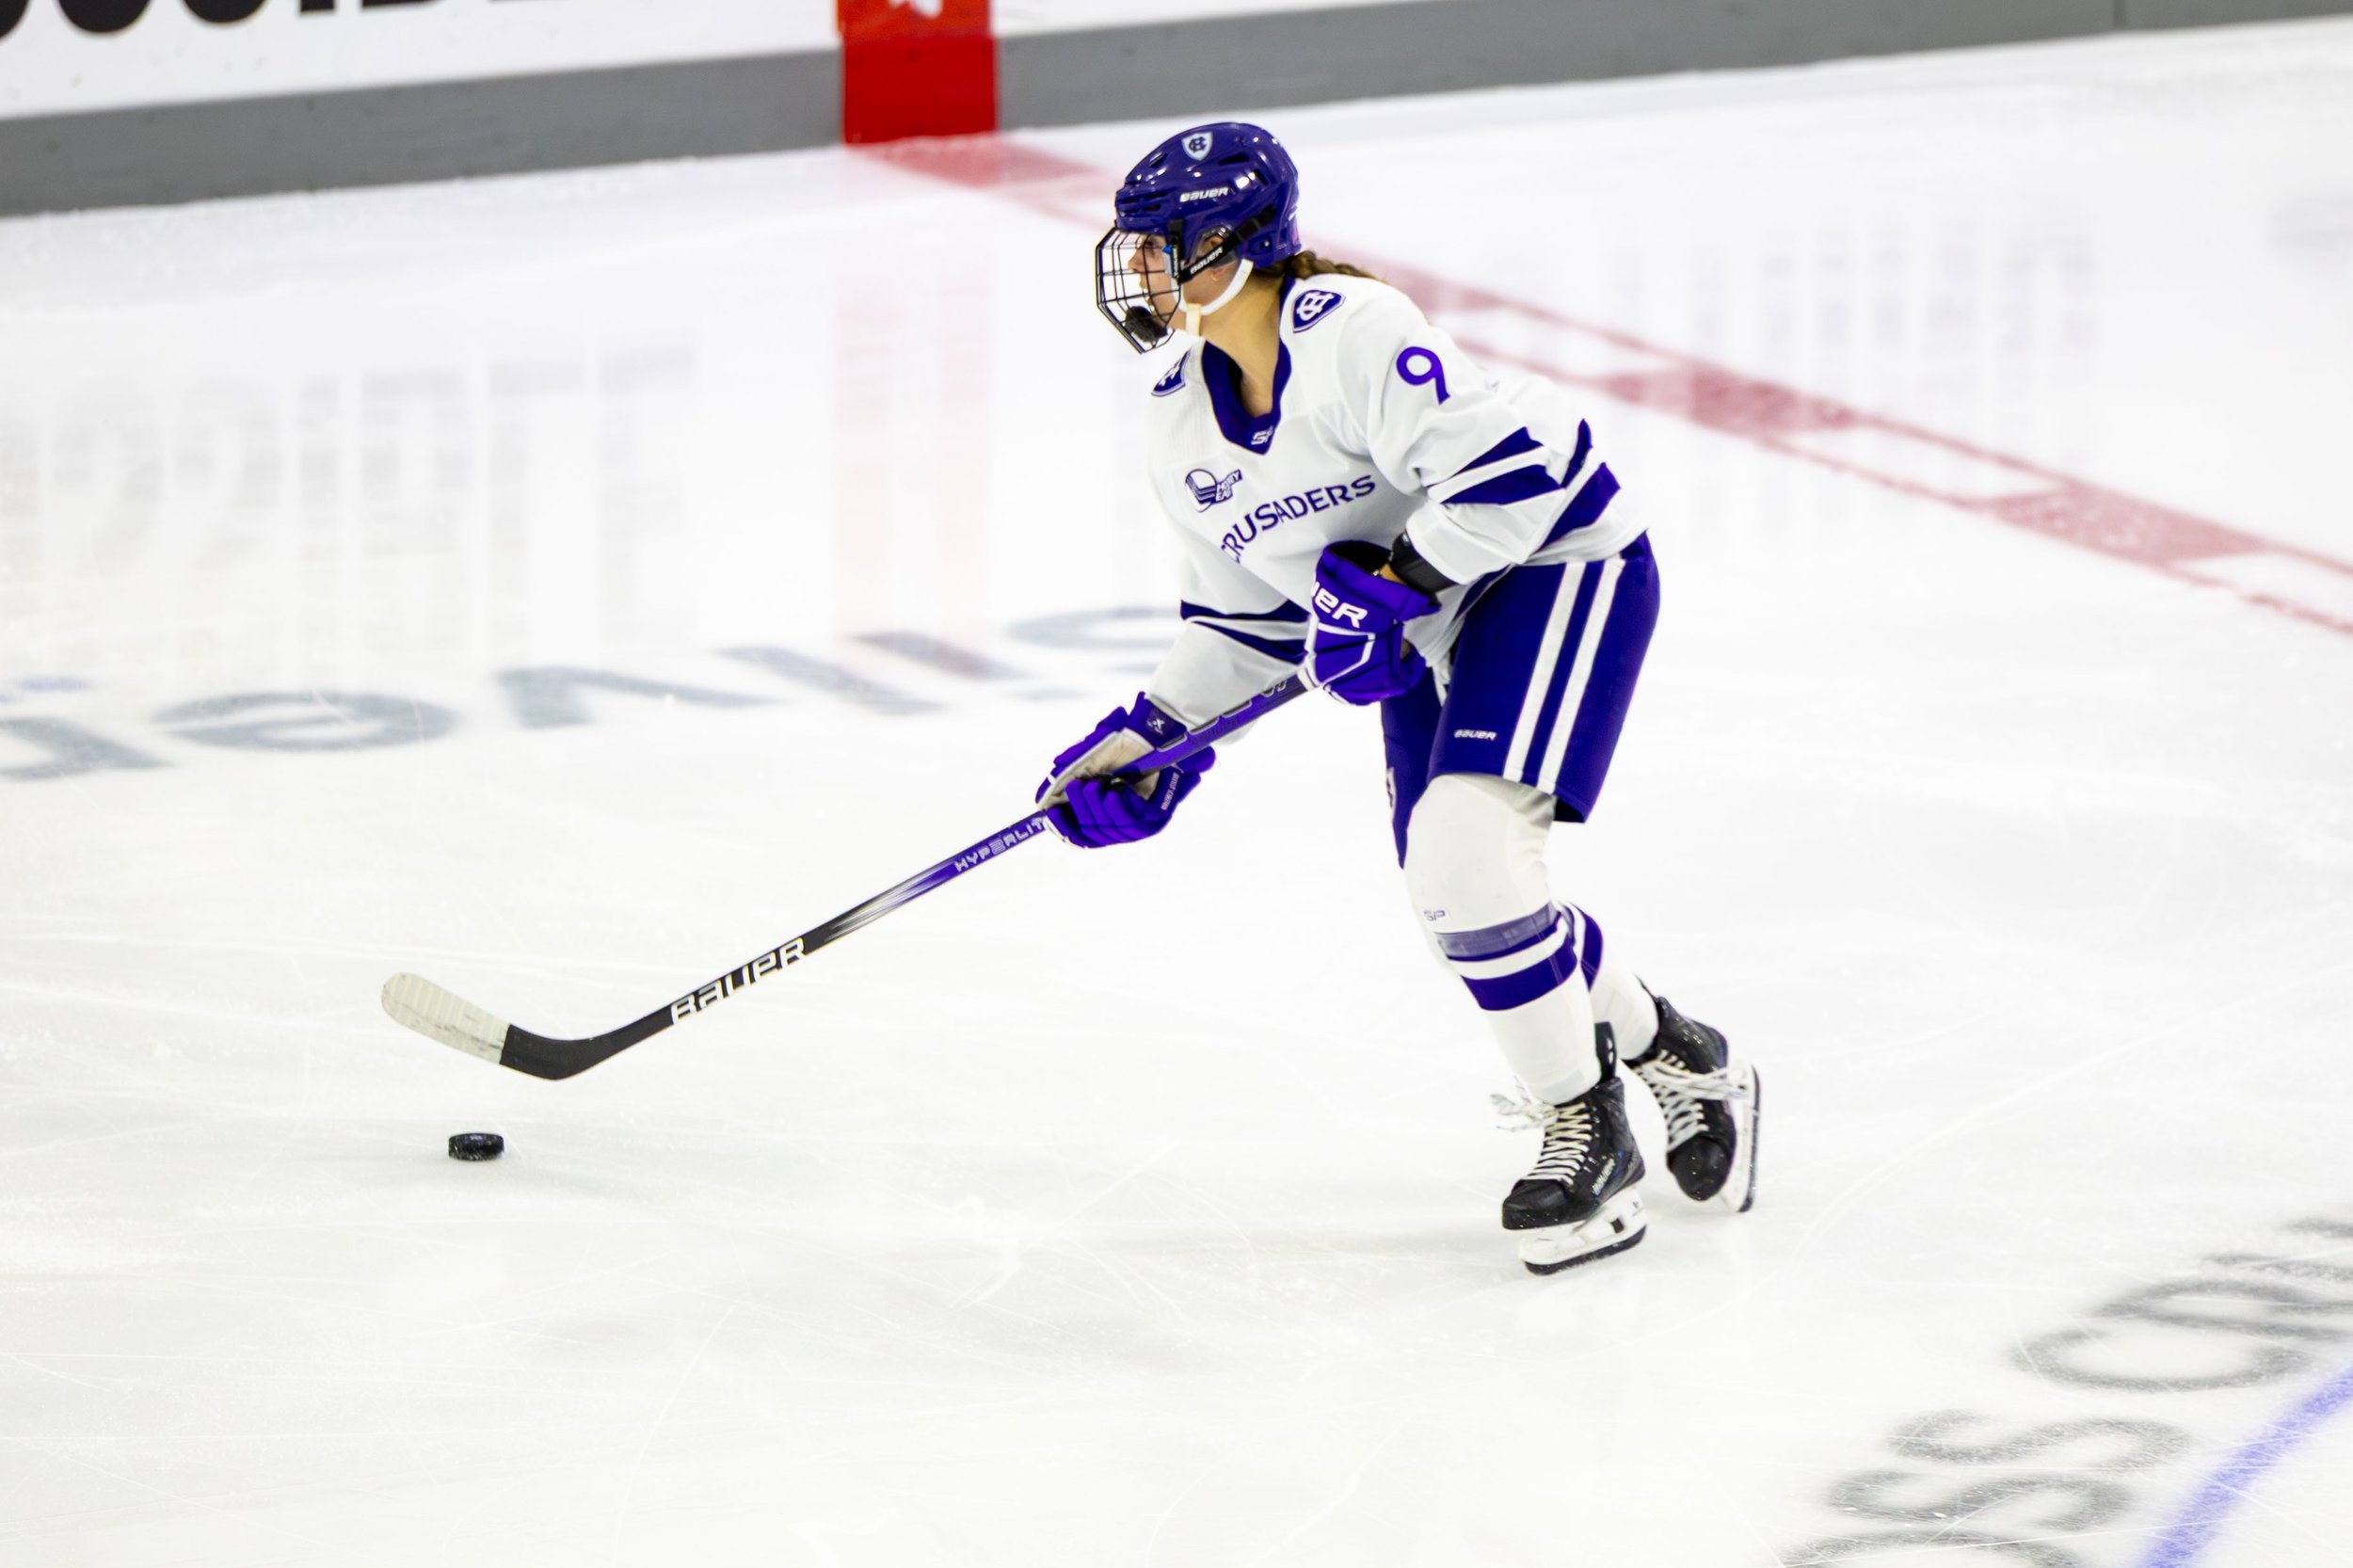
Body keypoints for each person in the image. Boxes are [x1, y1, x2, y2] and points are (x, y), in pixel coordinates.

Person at [1036, 121, 1758, 1275]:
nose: (1145, 270)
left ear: (1238, 243)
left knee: (1467, 860)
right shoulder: (1177, 408)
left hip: (1554, 565)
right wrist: (1152, 736)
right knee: (1459, 905)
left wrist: (1396, 583)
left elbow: (1515, 480)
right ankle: (1671, 1048)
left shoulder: (1354, 330)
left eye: (1168, 244)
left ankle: (1588, 1132)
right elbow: (1248, 623)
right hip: (1434, 622)